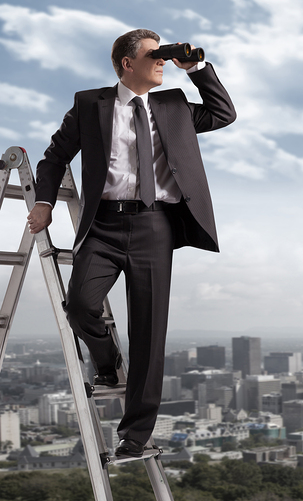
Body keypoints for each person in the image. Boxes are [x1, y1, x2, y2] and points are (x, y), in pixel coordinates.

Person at [26, 28, 236, 459]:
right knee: (80, 305)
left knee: (148, 334)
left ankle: (135, 435)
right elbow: (54, 156)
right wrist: (44, 202)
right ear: (127, 62)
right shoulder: (90, 104)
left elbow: (223, 114)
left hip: (155, 227)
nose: (162, 61)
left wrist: (194, 68)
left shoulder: (174, 105)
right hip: (102, 225)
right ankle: (106, 362)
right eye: (154, 55)